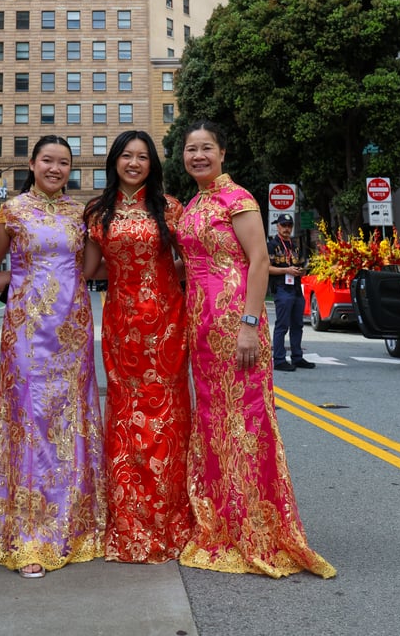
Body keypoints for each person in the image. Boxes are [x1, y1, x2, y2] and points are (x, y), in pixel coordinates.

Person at [176, 120, 335, 578]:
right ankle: (221, 520)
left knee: (245, 421)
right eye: (191, 149)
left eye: (207, 148)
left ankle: (256, 526)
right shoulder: (194, 204)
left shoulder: (237, 198)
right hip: (201, 327)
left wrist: (249, 325)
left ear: (223, 153)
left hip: (234, 323)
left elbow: (260, 261)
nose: (198, 156)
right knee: (213, 422)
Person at [0, 135, 105, 579]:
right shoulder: (11, 211)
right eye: (47, 160)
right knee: (29, 423)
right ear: (31, 164)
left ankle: (76, 526)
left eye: (63, 162)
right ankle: (29, 535)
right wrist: (21, 283)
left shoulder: (82, 213)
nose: (55, 168)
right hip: (27, 335)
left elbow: (91, 269)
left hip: (73, 330)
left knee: (70, 422)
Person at [84, 130, 191, 563]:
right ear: (114, 161)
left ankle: (169, 518)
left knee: (167, 415)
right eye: (126, 156)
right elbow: (88, 269)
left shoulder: (169, 208)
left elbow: (192, 258)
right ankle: (129, 518)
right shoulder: (97, 211)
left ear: (153, 164)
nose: (133, 163)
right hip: (122, 325)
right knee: (127, 415)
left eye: (142, 157)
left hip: (167, 323)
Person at [267, 214, 315, 372]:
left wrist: (301, 271)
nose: (287, 228)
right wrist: (286, 270)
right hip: (281, 288)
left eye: (289, 225)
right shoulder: (272, 245)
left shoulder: (295, 246)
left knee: (298, 325)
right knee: (282, 325)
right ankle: (279, 359)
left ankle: (297, 357)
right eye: (284, 225)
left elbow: (301, 264)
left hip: (295, 288)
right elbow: (266, 268)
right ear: (278, 226)